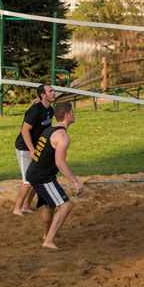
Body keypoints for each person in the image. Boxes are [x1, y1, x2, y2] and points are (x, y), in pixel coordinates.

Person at [26, 102, 84, 249]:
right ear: (67, 115)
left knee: (50, 205)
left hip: (35, 173)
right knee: (66, 206)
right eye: (72, 112)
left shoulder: (49, 130)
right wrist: (75, 181)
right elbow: (60, 163)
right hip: (42, 176)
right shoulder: (62, 136)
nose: (74, 114)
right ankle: (48, 241)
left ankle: (46, 235)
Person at [13, 83, 57, 216]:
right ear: (43, 95)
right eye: (50, 91)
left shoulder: (50, 110)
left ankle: (26, 206)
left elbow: (45, 130)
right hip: (24, 148)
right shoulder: (35, 110)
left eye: (53, 90)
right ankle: (17, 208)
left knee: (35, 178)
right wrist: (32, 149)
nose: (54, 93)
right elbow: (25, 130)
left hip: (37, 148)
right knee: (27, 180)